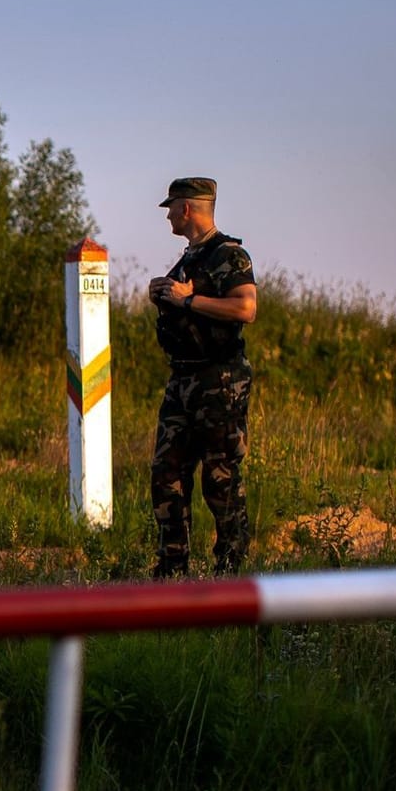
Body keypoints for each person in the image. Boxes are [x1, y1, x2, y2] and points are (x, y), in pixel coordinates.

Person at [147, 177, 259, 578]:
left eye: (172, 207)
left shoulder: (229, 255)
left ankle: (230, 571)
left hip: (220, 381)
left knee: (221, 477)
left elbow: (245, 308)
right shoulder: (189, 258)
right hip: (183, 380)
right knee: (167, 473)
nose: (169, 215)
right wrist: (162, 292)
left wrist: (188, 299)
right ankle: (172, 569)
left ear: (188, 209)